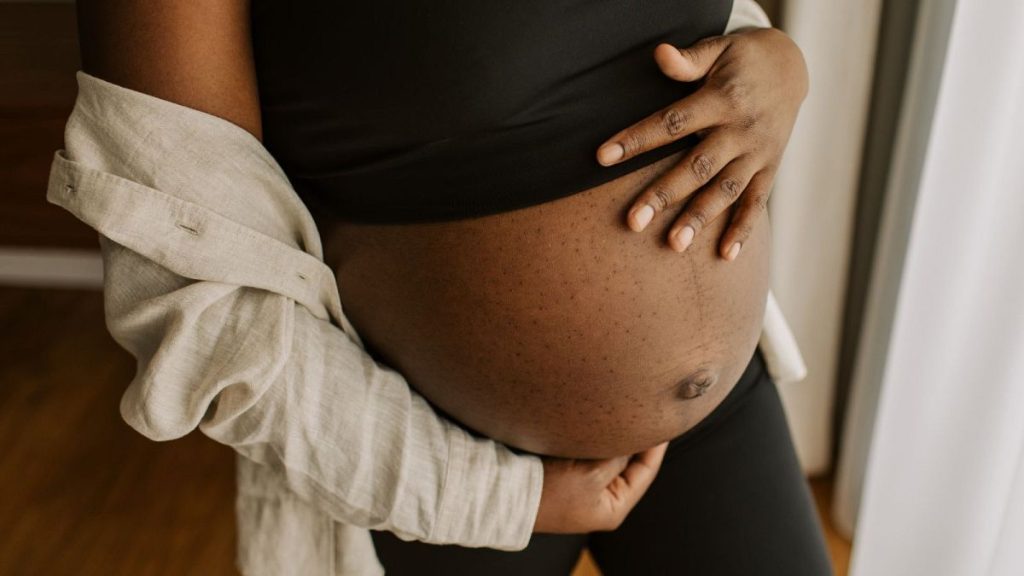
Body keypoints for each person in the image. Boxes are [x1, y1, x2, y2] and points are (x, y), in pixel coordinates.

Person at [66, 0, 827, 574]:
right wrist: (495, 498)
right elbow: (196, 302)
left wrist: (775, 64)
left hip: (717, 416)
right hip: (437, 458)